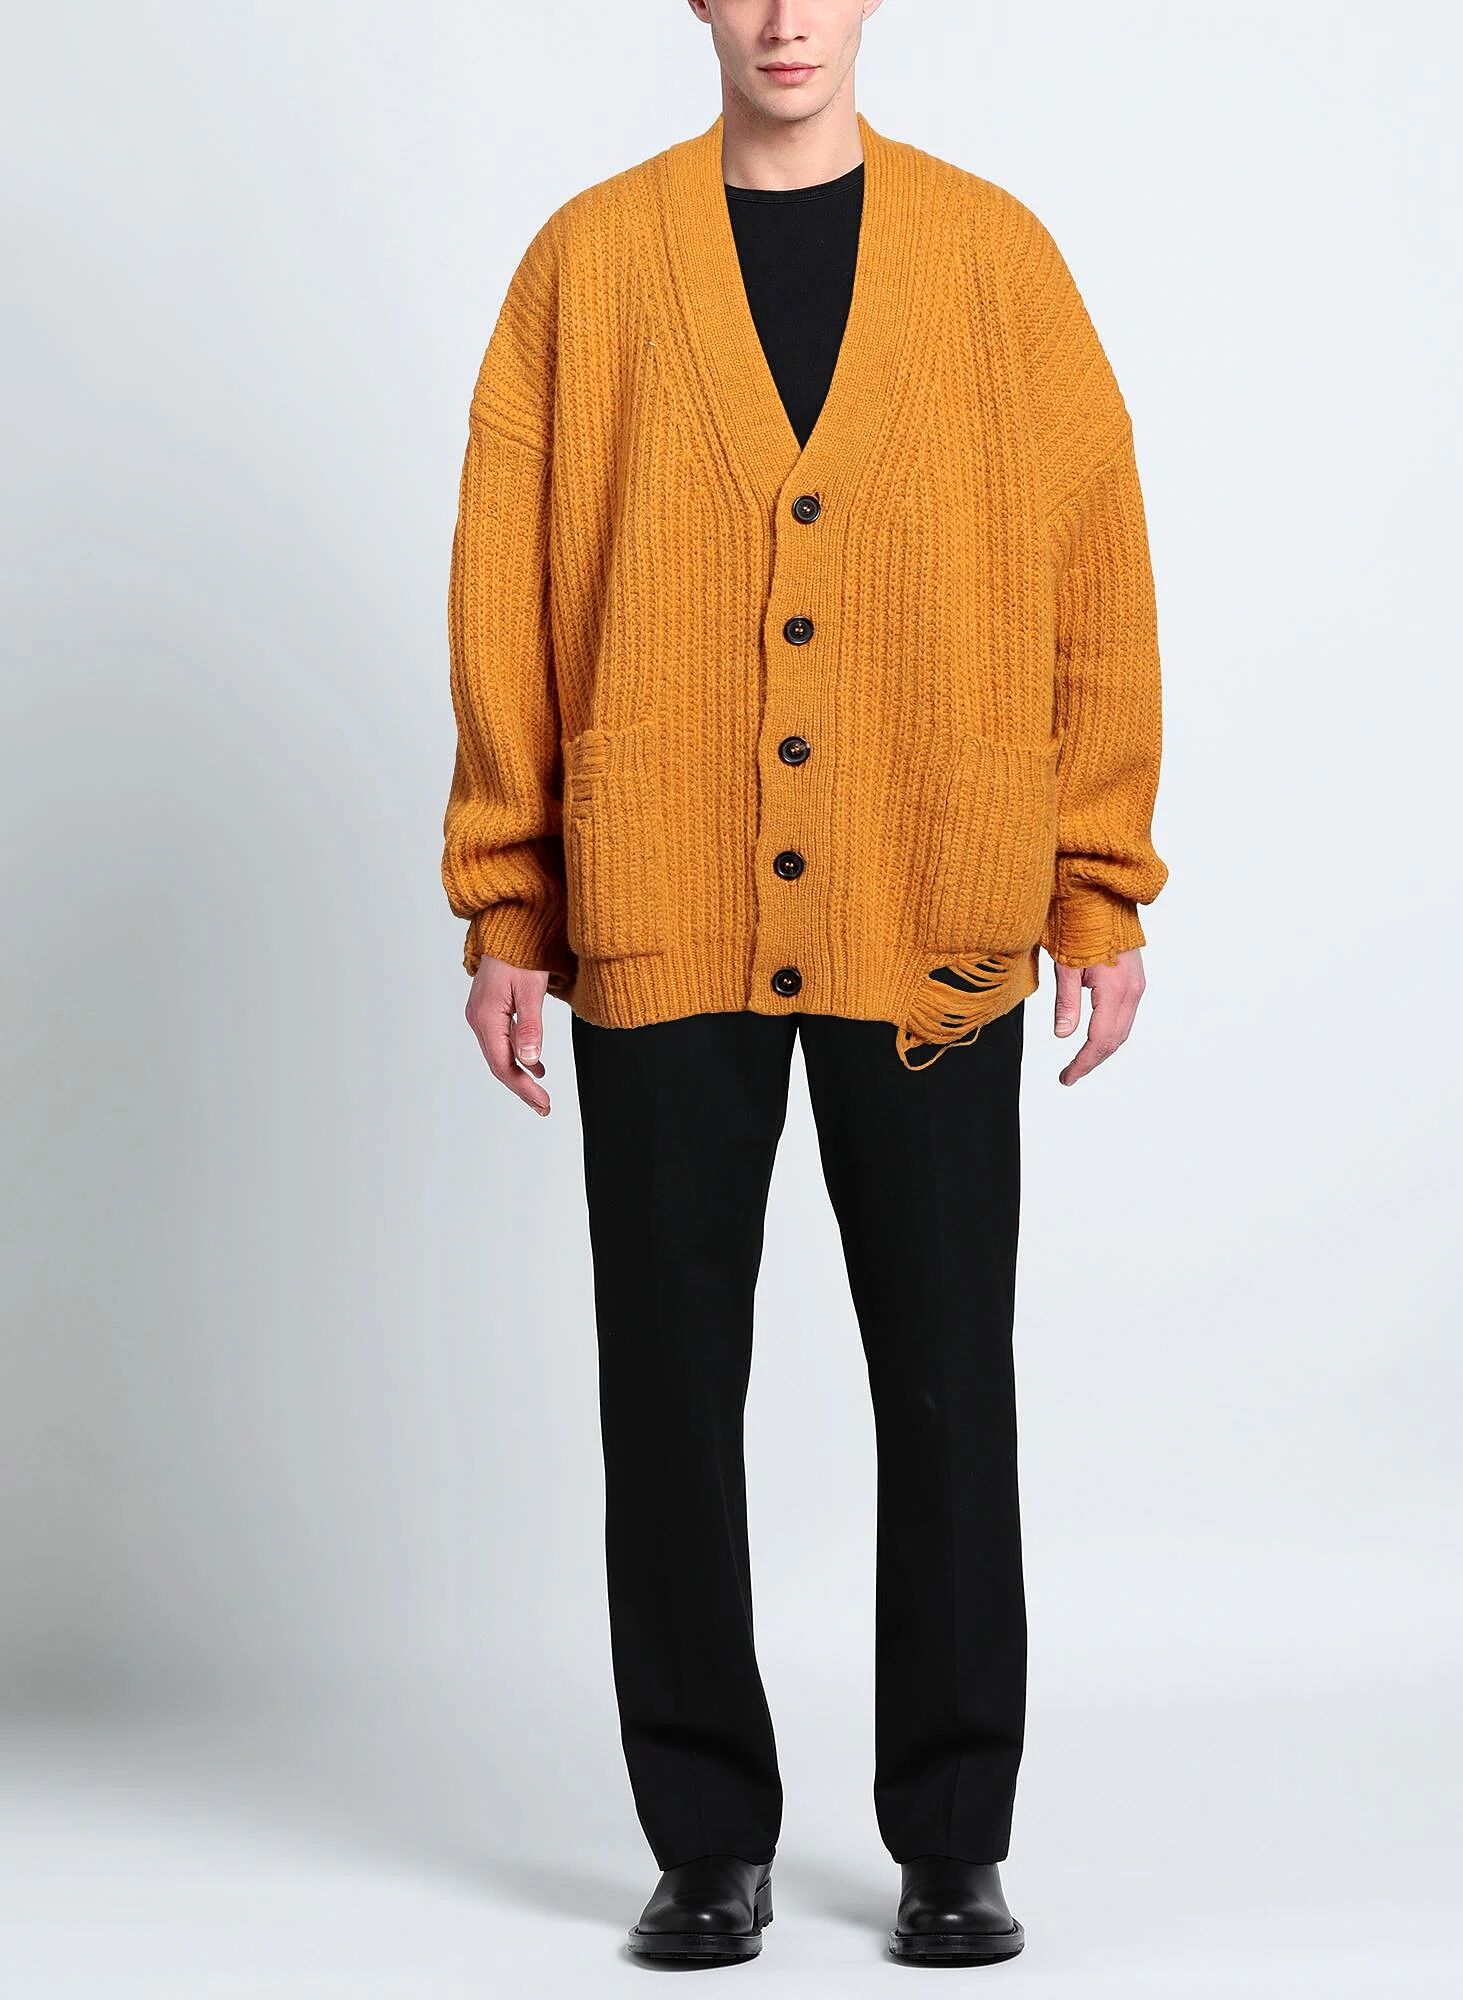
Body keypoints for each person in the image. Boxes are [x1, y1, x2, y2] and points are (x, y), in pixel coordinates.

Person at [439, 0, 1168, 1969]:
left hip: (931, 906)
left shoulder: (995, 262)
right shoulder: (591, 267)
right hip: (660, 895)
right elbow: (508, 586)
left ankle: (954, 1836)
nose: (782, 18)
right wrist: (510, 900)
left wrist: (1095, 889)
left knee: (946, 1384)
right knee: (670, 1389)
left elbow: (1094, 573)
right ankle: (706, 1839)